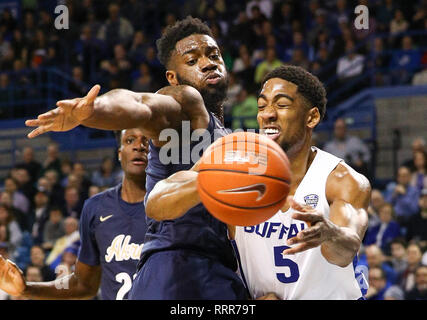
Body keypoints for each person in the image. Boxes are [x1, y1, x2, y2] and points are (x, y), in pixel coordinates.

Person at [23, 16, 248, 300]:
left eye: (214, 55)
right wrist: (93, 111)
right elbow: (140, 105)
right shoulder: (187, 105)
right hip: (175, 271)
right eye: (191, 60)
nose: (207, 63)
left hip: (220, 272)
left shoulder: (231, 139)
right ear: (172, 78)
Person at [145, 65, 371, 299]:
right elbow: (157, 206)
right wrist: (212, 177)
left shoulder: (341, 179)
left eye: (282, 105)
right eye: (262, 106)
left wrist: (329, 234)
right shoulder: (235, 156)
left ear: (312, 117)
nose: (267, 114)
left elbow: (344, 251)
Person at [0, 128, 148, 300]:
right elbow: (83, 285)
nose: (139, 146)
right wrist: (26, 289)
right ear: (120, 153)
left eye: (146, 141)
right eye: (130, 140)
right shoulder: (96, 207)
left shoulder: (176, 205)